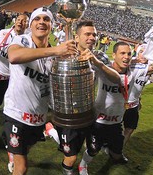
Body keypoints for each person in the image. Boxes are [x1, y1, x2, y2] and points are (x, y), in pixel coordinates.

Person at [2, 7, 78, 174]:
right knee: (22, 168)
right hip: (16, 114)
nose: (42, 22)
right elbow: (14, 57)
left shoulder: (56, 56)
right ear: (31, 24)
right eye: (37, 19)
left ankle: (14, 153)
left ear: (51, 26)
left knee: (26, 149)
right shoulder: (22, 40)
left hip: (38, 119)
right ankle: (14, 155)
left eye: (46, 19)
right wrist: (55, 51)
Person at [52, 20, 121, 175]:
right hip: (68, 115)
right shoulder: (64, 54)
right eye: (87, 34)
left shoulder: (100, 57)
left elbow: (116, 79)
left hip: (89, 113)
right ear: (76, 38)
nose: (92, 37)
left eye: (94, 34)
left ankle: (80, 163)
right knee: (71, 156)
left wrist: (97, 63)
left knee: (93, 148)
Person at [78, 41, 132, 175]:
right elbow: (115, 78)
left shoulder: (134, 71)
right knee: (93, 149)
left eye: (129, 54)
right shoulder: (103, 69)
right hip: (99, 120)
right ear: (114, 55)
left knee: (117, 152)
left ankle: (111, 150)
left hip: (117, 121)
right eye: (122, 53)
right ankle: (83, 166)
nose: (126, 57)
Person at [123, 27, 153, 148]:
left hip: (133, 105)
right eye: (141, 51)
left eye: (146, 52)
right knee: (112, 128)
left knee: (130, 128)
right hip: (119, 103)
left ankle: (118, 151)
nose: (144, 54)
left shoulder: (146, 68)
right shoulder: (128, 64)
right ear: (136, 52)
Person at [0, 14, 28, 112]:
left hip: (15, 75)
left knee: (13, 100)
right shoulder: (3, 33)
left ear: (27, 24)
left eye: (23, 21)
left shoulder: (28, 39)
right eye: (18, 20)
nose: (20, 22)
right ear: (14, 21)